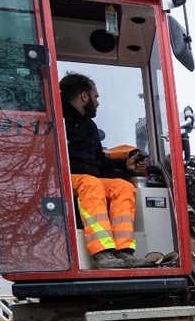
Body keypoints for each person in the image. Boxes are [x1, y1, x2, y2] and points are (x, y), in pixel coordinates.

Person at [59, 72, 151, 270]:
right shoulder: (58, 120)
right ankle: (102, 253)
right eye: (96, 96)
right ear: (84, 96)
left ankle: (124, 251)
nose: (98, 102)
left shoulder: (90, 126)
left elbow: (99, 160)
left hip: (88, 178)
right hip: (64, 179)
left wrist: (124, 166)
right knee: (91, 184)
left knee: (123, 187)